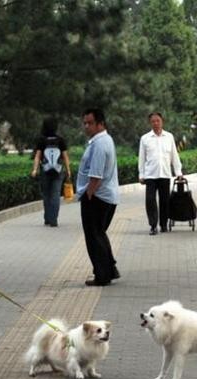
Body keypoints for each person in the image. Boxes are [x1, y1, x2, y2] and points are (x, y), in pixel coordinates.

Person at [76, 108, 120, 286]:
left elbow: (96, 175)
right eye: (84, 123)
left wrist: (88, 194)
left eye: (90, 123)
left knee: (94, 237)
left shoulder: (100, 144)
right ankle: (109, 269)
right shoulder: (102, 141)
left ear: (100, 124)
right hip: (104, 196)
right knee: (99, 235)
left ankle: (102, 275)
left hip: (97, 197)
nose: (86, 126)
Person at [138, 112, 183, 235]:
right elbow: (142, 158)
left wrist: (178, 172)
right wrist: (141, 174)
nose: (156, 123)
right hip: (150, 175)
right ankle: (153, 225)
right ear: (150, 123)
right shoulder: (145, 138)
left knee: (165, 201)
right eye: (153, 121)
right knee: (150, 200)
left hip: (165, 174)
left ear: (162, 121)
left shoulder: (169, 137)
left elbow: (174, 155)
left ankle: (163, 224)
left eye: (158, 120)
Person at [30, 118, 71, 227]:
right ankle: (54, 219)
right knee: (55, 195)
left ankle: (47, 218)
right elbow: (65, 157)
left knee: (46, 195)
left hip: (45, 171)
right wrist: (68, 171)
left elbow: (38, 156)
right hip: (58, 171)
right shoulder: (60, 140)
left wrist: (35, 169)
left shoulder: (42, 140)